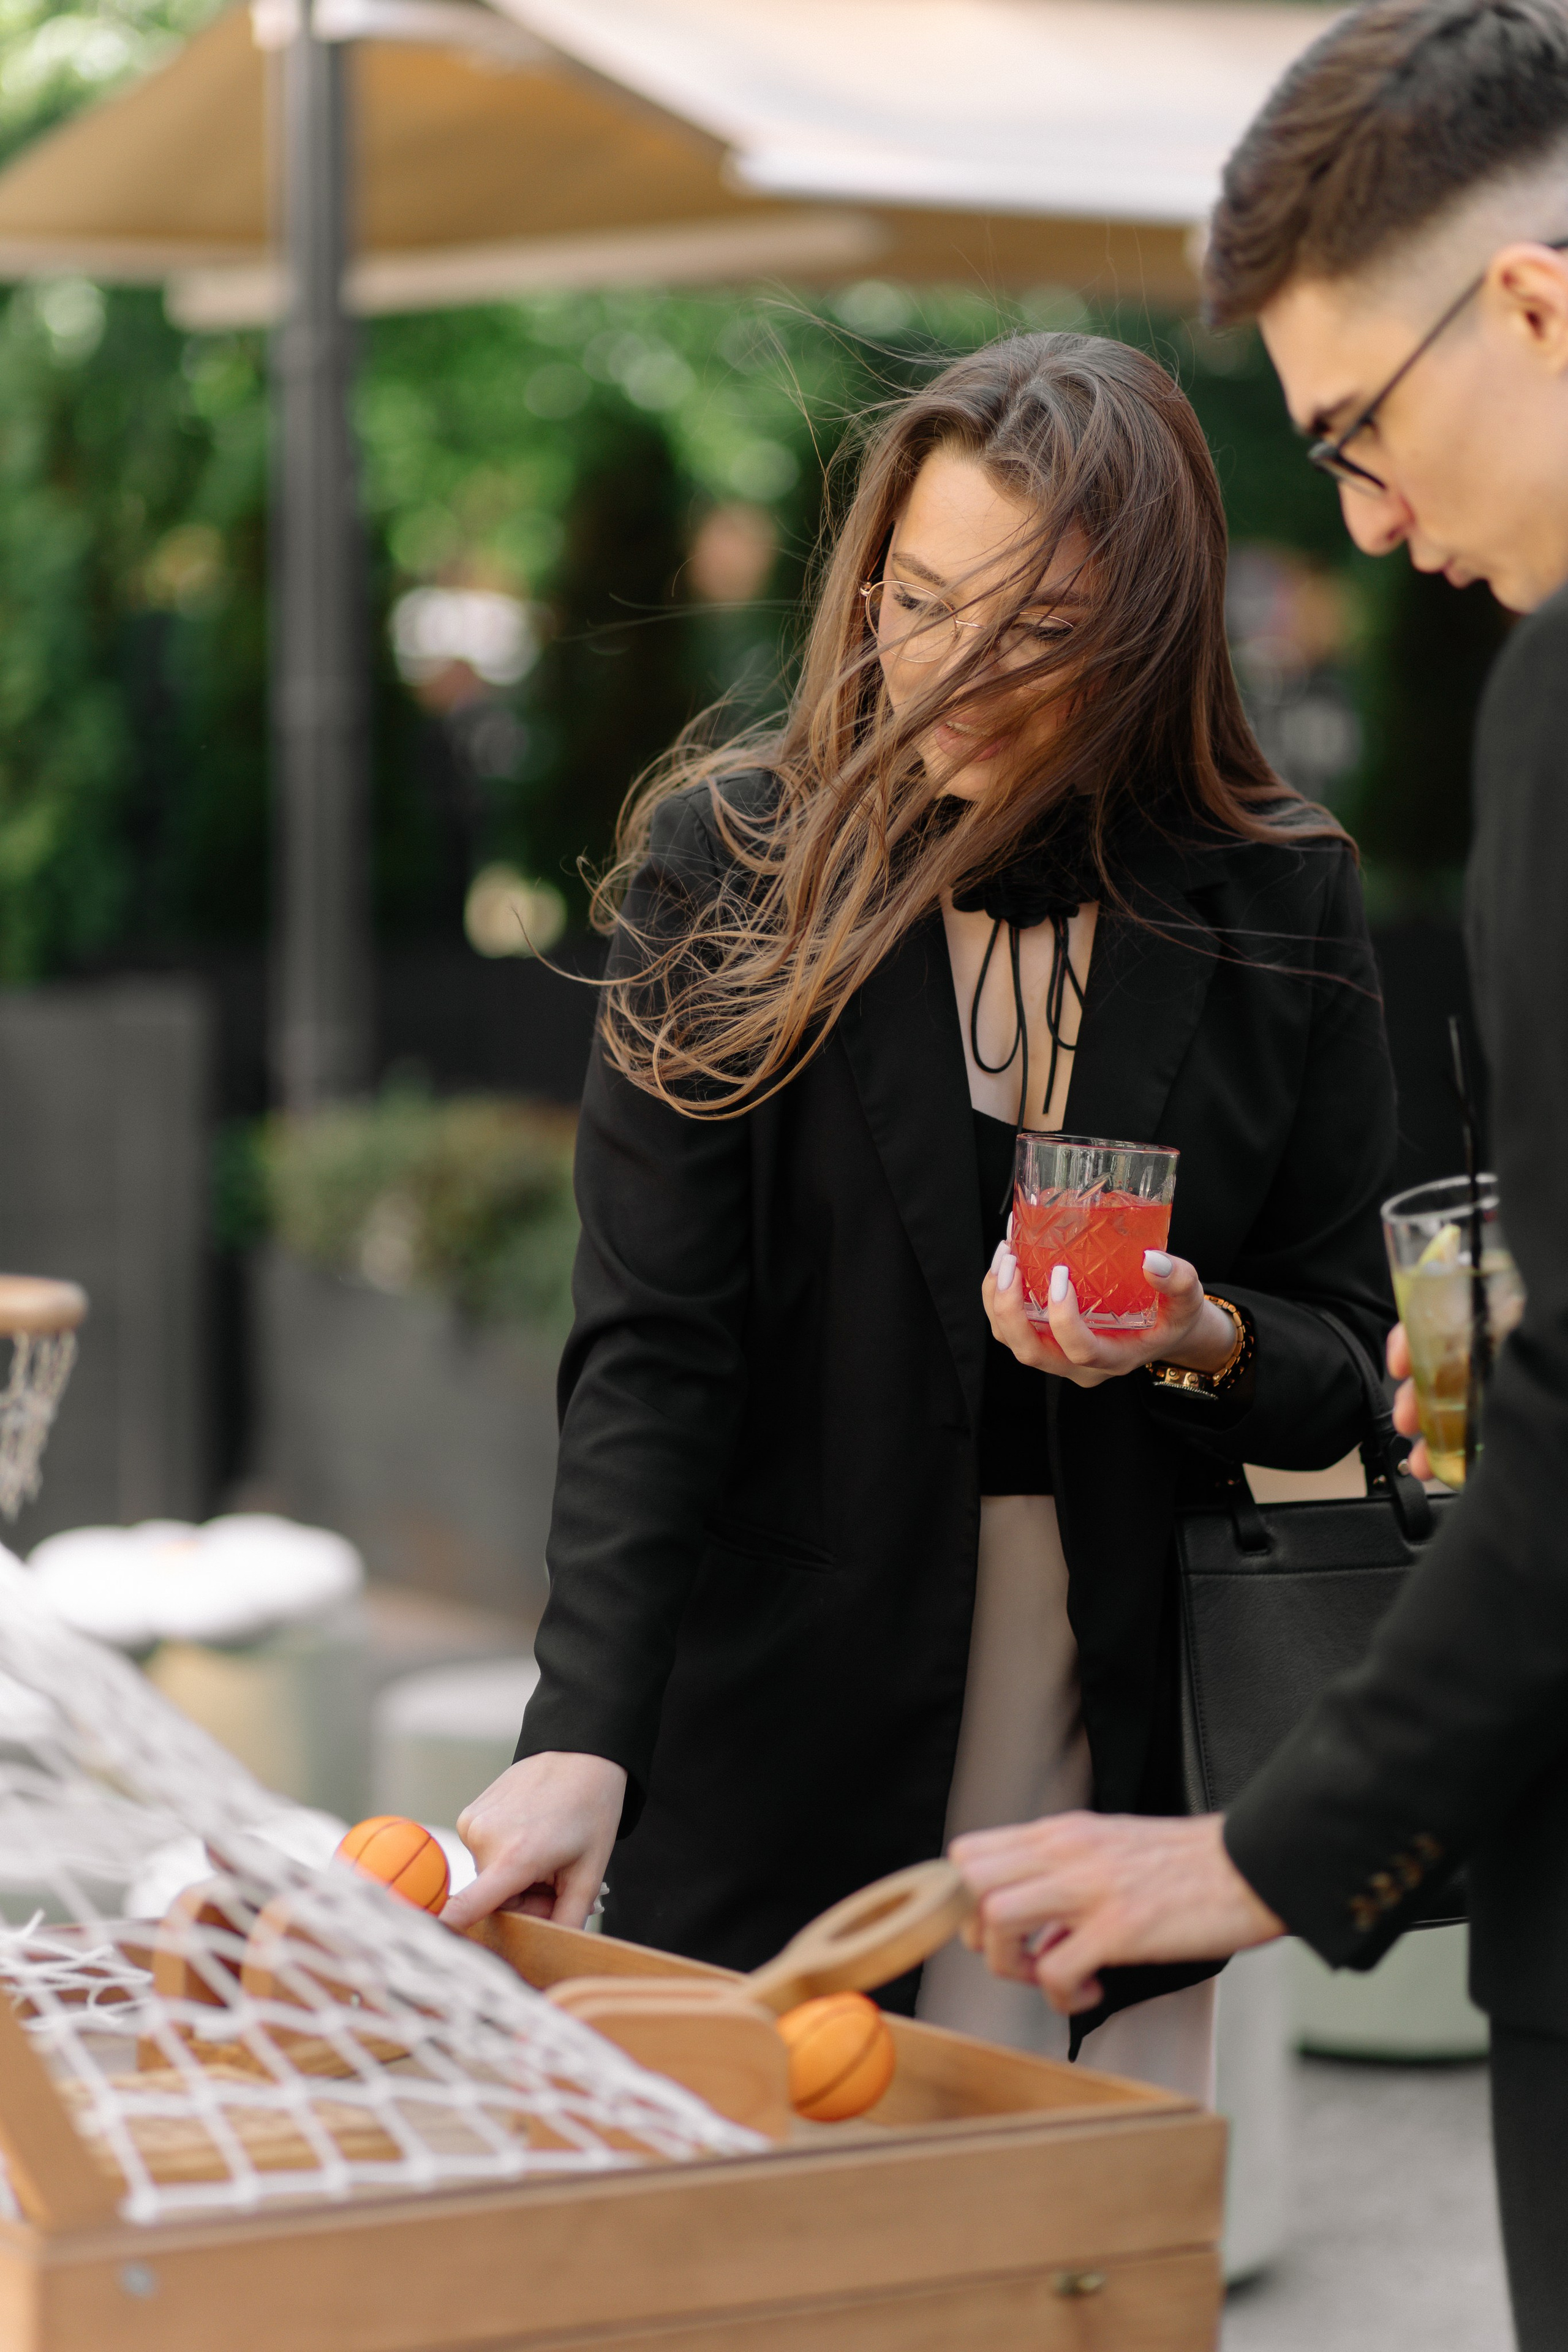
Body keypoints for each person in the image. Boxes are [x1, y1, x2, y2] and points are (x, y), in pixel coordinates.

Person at [443, 330, 1397, 2099]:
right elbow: (655, 1350)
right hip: (789, 1708)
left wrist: (1202, 1336)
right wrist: (581, 1740)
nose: (953, 673)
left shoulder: (1275, 893)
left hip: (1118, 1717)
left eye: (1037, 631)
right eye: (921, 598)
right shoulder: (733, 864)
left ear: (1151, 637)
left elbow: (1347, 1353)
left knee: (1058, 2248)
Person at [950, 2, 1568, 2337]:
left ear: (1528, 306)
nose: (1373, 521)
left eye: (1362, 432)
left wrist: (1264, 1854)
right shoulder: (754, 875)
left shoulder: (1547, 709)